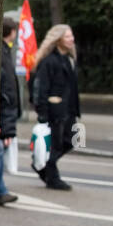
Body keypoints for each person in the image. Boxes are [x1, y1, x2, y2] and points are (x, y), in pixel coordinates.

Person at [30, 24, 80, 191]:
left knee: (72, 140)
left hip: (69, 110)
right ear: (58, 40)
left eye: (71, 36)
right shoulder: (49, 61)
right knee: (56, 145)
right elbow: (40, 88)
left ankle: (43, 166)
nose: (71, 39)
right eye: (67, 36)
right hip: (54, 111)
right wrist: (42, 112)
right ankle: (52, 177)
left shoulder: (69, 59)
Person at [0, 17, 21, 206]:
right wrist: (7, 126)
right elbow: (5, 93)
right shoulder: (1, 54)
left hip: (2, 117)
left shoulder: (3, 52)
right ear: (12, 33)